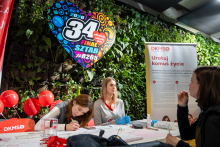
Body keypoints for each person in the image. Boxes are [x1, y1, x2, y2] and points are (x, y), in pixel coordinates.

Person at [166, 66, 220, 147]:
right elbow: (187, 134)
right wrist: (183, 106)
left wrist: (178, 143)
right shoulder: (206, 111)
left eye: (191, 81)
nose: (189, 84)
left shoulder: (214, 117)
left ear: (203, 85)